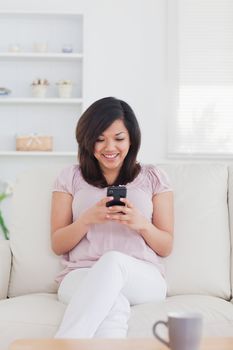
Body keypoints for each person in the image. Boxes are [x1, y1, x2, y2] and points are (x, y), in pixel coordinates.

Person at [51, 96, 174, 339]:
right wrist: (87, 220)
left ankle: (62, 345)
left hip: (141, 277)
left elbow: (166, 246)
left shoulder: (153, 177)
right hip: (80, 275)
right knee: (113, 304)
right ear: (87, 141)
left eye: (119, 138)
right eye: (99, 139)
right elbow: (58, 244)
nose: (110, 147)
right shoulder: (69, 177)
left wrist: (141, 224)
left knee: (113, 261)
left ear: (131, 139)